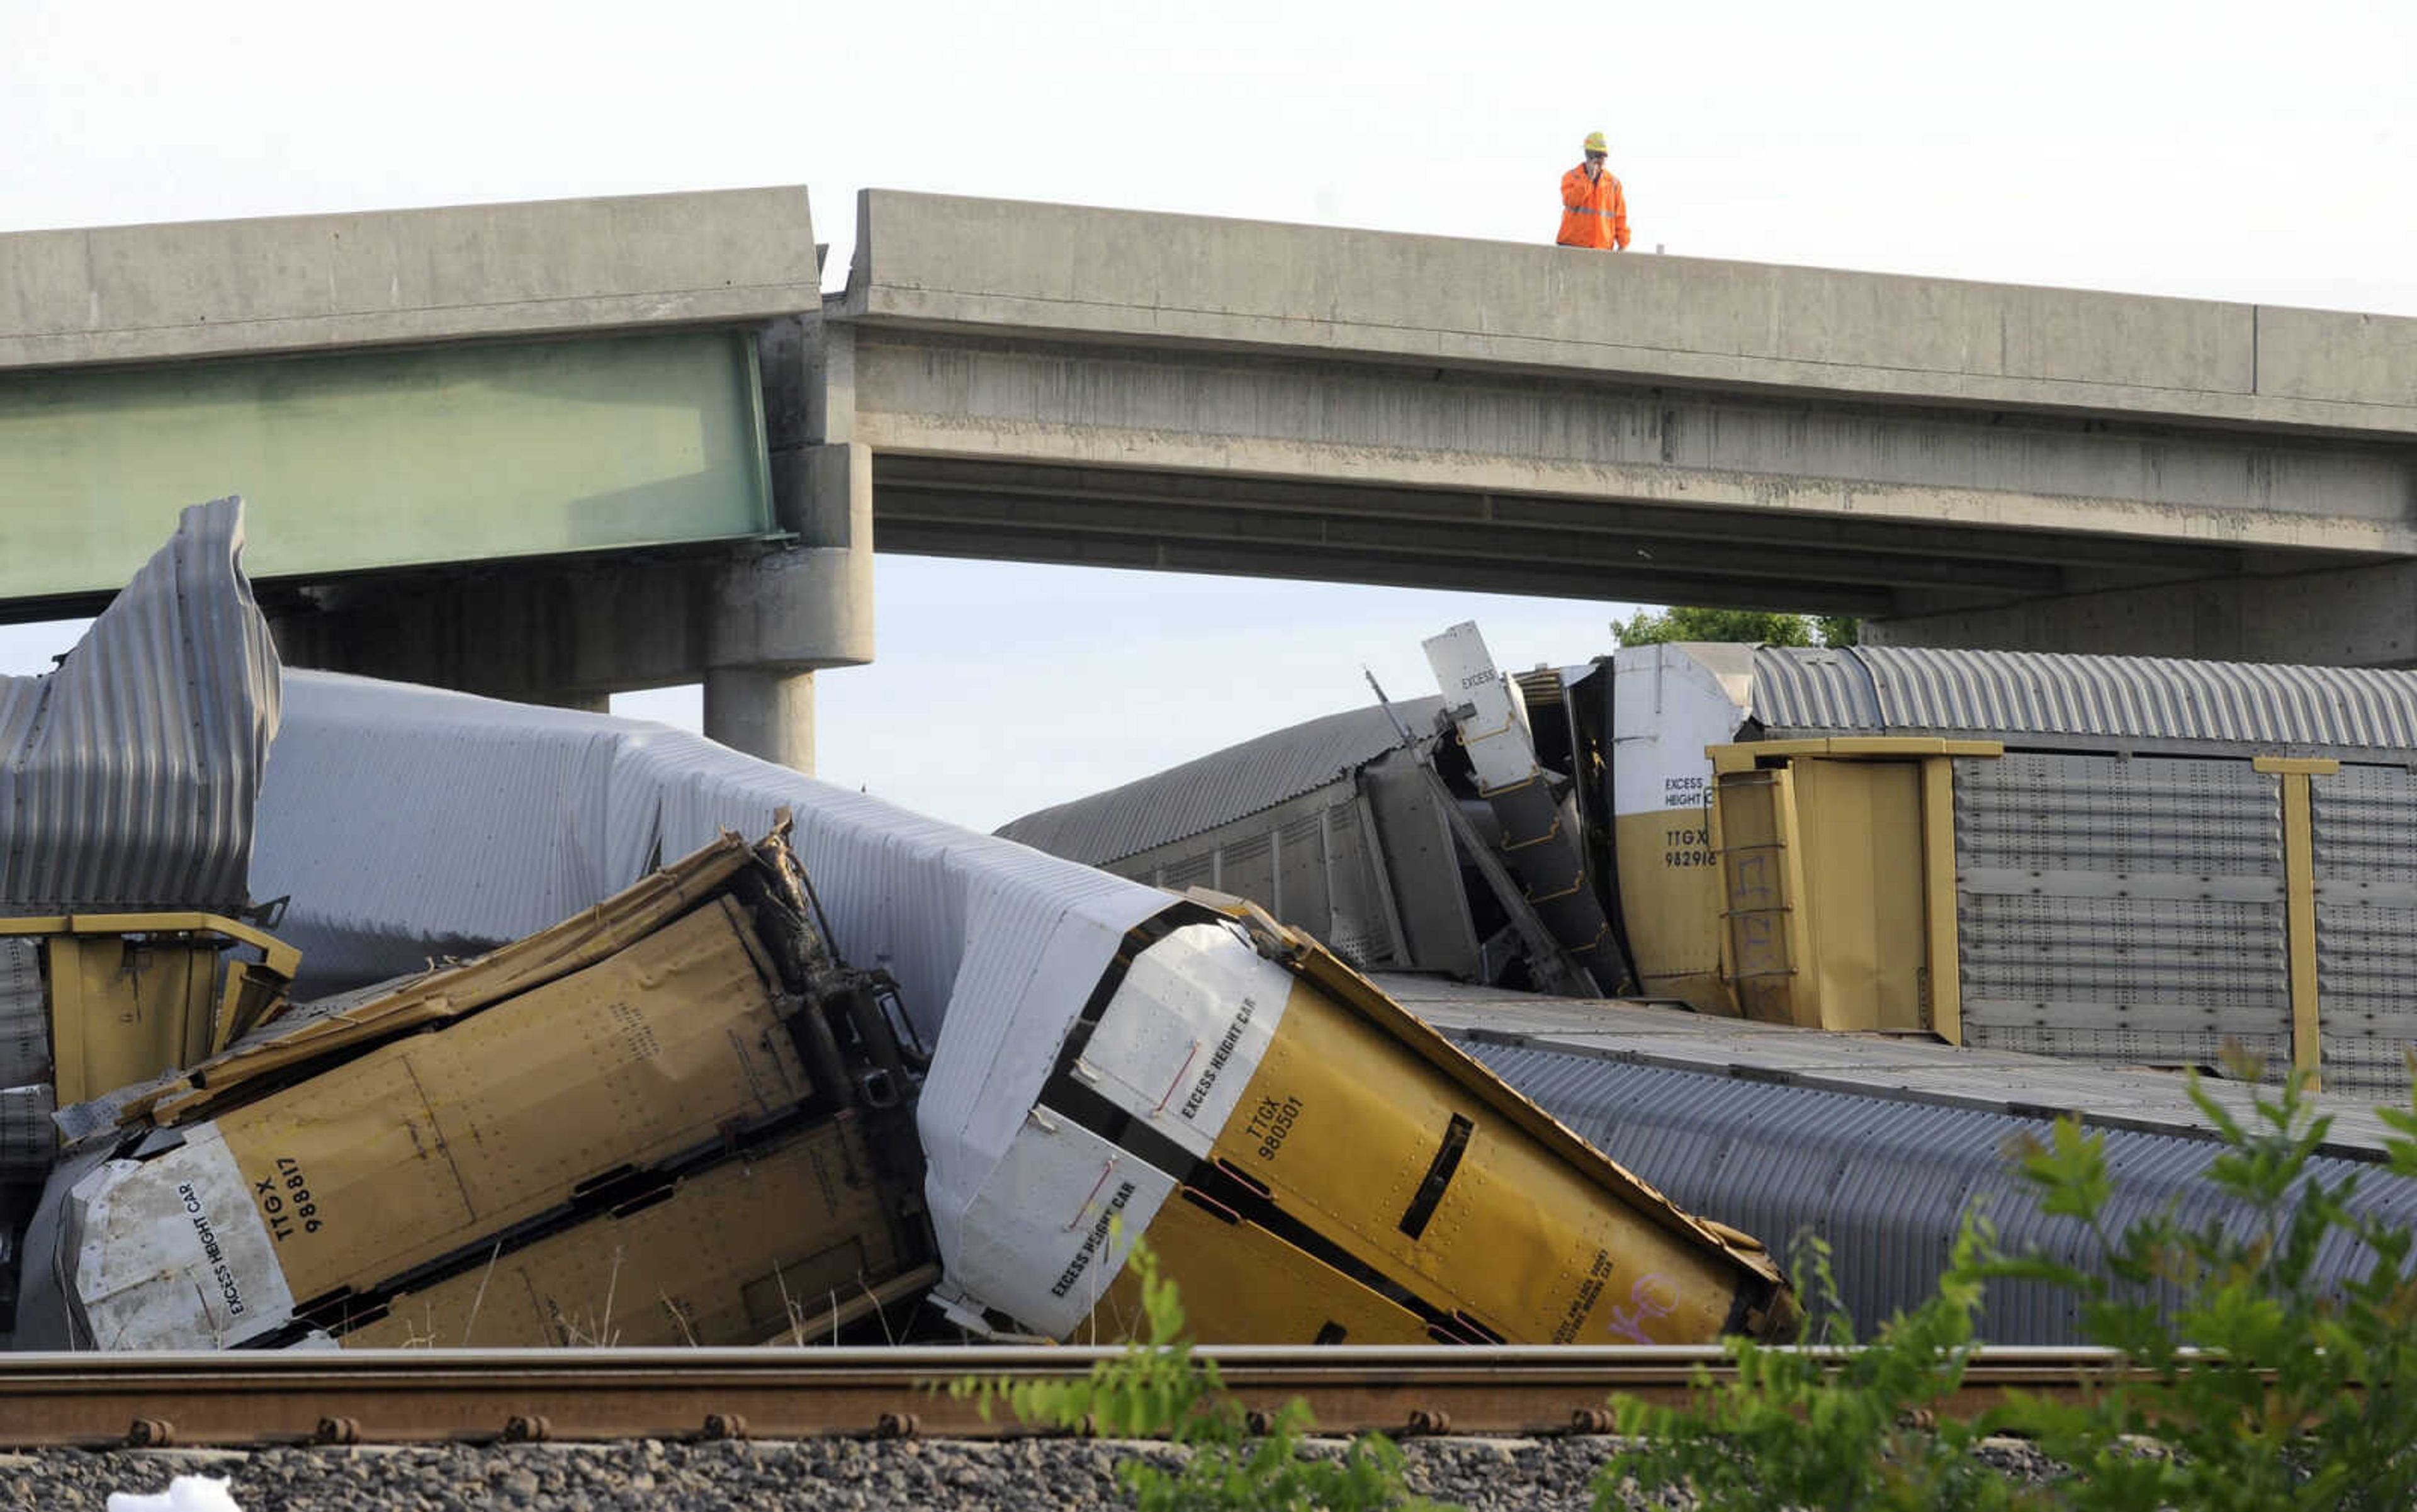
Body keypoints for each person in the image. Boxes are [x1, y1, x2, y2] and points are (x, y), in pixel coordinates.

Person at [1557, 132, 1630, 251]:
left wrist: (1623, 244)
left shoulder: (1614, 184)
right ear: (1588, 156)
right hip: (1572, 246)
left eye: (1603, 157)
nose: (1600, 161)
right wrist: (1588, 180)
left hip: (1601, 249)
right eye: (1596, 156)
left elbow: (1620, 218)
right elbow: (1571, 201)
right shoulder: (1571, 177)